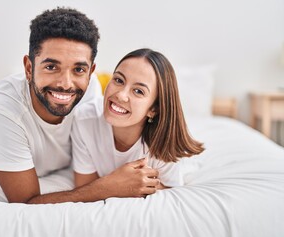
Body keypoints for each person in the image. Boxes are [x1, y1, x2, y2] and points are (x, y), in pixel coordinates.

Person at [0, 8, 160, 204]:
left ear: (90, 72)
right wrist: (108, 187)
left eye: (78, 69)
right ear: (29, 68)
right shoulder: (2, 112)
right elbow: (26, 201)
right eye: (51, 67)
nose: (65, 83)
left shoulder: (91, 89)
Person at [72, 48, 204, 189]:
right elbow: (84, 187)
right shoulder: (84, 119)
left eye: (138, 91)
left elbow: (169, 191)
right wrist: (118, 184)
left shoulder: (162, 146)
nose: (121, 95)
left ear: (153, 109)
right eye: (118, 80)